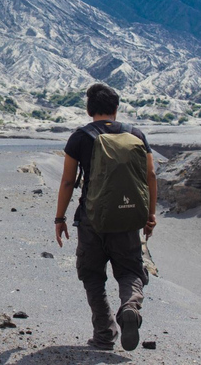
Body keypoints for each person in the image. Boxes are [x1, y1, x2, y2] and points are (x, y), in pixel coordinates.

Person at [54, 83, 157, 351]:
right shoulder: (136, 135)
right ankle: (130, 306)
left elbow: (67, 182)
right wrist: (150, 215)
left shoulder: (80, 137)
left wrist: (59, 218)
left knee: (92, 276)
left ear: (89, 110)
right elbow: (150, 177)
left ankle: (104, 333)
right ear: (116, 109)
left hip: (92, 219)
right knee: (130, 271)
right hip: (127, 219)